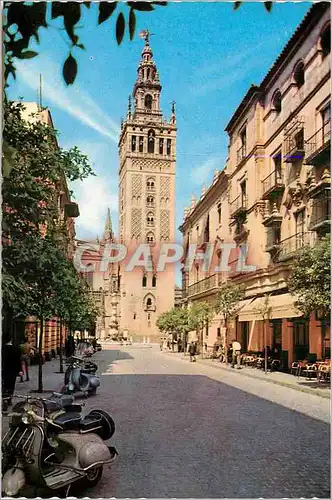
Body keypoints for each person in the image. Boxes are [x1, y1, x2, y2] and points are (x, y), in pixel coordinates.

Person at [2, 334, 23, 411]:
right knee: (11, 385)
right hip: (12, 371)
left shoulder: (2, 349)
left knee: (3, 385)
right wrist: (20, 370)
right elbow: (18, 361)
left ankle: (4, 399)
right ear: (11, 339)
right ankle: (9, 399)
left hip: (3, 371)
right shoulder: (16, 349)